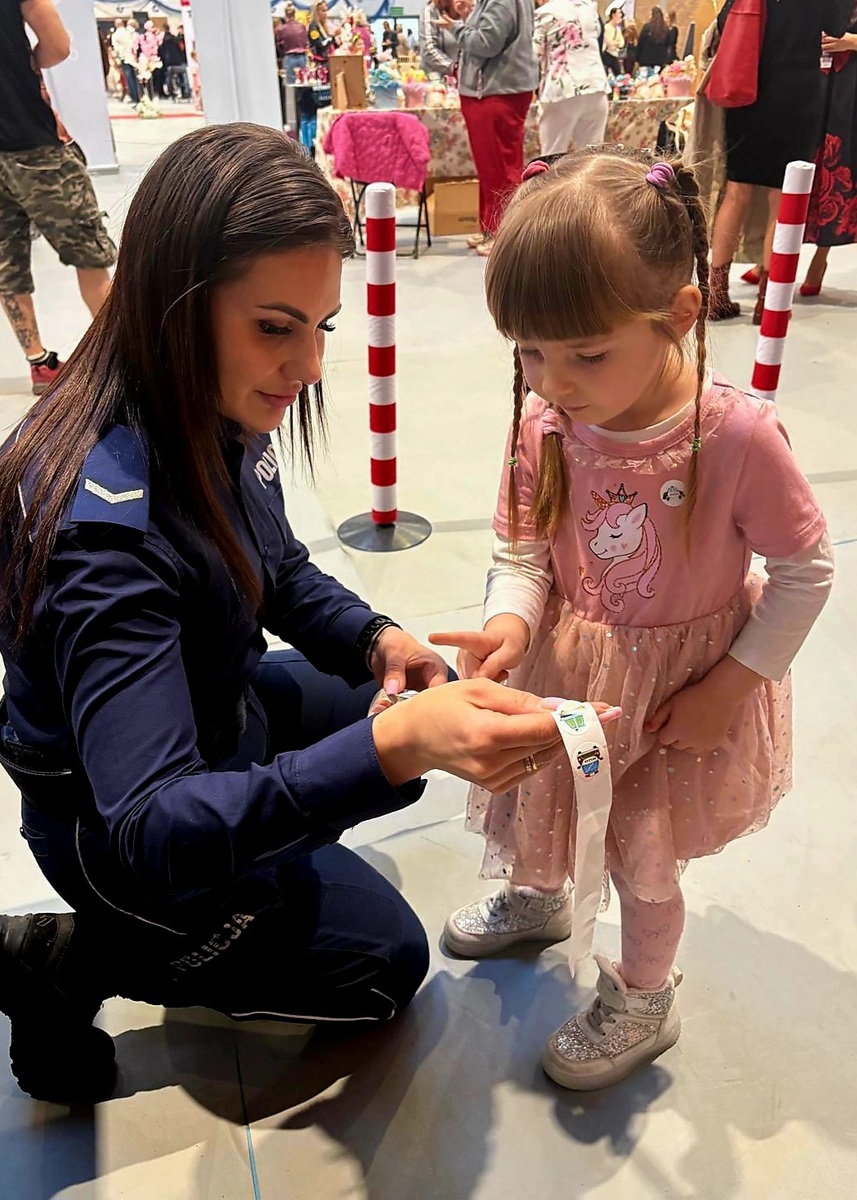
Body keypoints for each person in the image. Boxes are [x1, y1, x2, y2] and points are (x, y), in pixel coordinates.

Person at [0, 123, 568, 1106]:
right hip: (118, 837)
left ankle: (256, 856)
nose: (306, 366)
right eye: (274, 327)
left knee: (394, 717)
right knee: (383, 966)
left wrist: (376, 639)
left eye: (321, 328)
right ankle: (76, 957)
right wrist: (390, 750)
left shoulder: (202, 401)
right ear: (174, 303)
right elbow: (150, 824)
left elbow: (274, 567)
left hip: (210, 708)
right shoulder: (106, 535)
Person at [433, 148, 834, 1091]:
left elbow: (805, 571)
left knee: (642, 854)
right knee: (542, 800)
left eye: (585, 353)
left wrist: (730, 686)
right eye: (528, 352)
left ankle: (645, 995)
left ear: (679, 316)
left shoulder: (736, 437)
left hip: (675, 700)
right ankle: (538, 895)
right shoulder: (543, 423)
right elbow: (523, 553)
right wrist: (510, 626)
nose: (552, 380)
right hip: (567, 675)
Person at [709, 0, 852, 322]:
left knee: (736, 192)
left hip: (746, 87)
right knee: (781, 199)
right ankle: (768, 302)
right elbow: (836, 27)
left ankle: (715, 295)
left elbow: (724, 20)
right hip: (798, 94)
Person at [0, 0, 115, 396]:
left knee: (6, 261)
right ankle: (123, 355)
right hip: (32, 146)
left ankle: (39, 363)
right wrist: (27, 63)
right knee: (89, 253)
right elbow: (58, 44)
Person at [437, 0, 539, 255]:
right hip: (498, 91)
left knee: (498, 166)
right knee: (491, 165)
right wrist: (467, 18)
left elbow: (486, 43)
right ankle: (490, 226)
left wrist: (457, 28)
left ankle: (501, 232)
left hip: (496, 93)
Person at [801, 11, 857, 296]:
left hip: (850, 84)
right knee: (804, 163)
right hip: (814, 78)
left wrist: (852, 41)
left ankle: (820, 256)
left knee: (840, 166)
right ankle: (769, 259)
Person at [534, 0, 609, 158]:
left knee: (552, 155)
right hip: (596, 85)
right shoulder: (589, 8)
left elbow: (534, 53)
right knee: (591, 158)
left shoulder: (546, 12)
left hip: (563, 88)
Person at [420, 0, 460, 76]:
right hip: (437, 77)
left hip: (464, 77)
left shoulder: (470, 9)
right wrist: (454, 68)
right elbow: (429, 48)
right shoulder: (431, 11)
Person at [277, 2, 309, 85]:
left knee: (291, 85)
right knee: (304, 83)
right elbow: (306, 42)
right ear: (295, 14)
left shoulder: (281, 29)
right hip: (302, 57)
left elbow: (279, 46)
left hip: (289, 57)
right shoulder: (302, 26)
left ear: (285, 15)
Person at [111, 15, 139, 104]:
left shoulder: (115, 35)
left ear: (116, 24)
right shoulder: (128, 32)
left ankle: (134, 96)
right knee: (134, 76)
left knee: (128, 77)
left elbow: (116, 47)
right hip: (132, 56)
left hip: (124, 57)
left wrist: (117, 58)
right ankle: (138, 94)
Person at [637, 6, 673, 70]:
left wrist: (638, 57)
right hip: (660, 60)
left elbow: (640, 42)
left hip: (645, 59)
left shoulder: (646, 27)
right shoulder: (665, 29)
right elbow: (668, 44)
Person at [160, 26, 191, 100]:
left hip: (168, 61)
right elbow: (181, 49)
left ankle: (171, 93)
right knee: (182, 76)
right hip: (178, 60)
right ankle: (185, 92)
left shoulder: (162, 41)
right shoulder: (175, 39)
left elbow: (162, 52)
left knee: (169, 78)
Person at [602, 1, 625, 75]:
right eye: (619, 13)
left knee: (618, 75)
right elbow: (609, 42)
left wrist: (616, 43)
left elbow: (622, 43)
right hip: (607, 54)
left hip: (615, 54)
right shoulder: (607, 27)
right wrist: (616, 43)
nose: (620, 16)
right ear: (613, 15)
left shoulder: (618, 29)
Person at [308, 0, 335, 66]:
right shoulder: (313, 27)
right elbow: (320, 45)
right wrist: (332, 37)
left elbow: (330, 44)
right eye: (323, 11)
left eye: (326, 10)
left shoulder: (324, 26)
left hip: (328, 60)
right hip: (320, 63)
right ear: (316, 12)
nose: (326, 13)